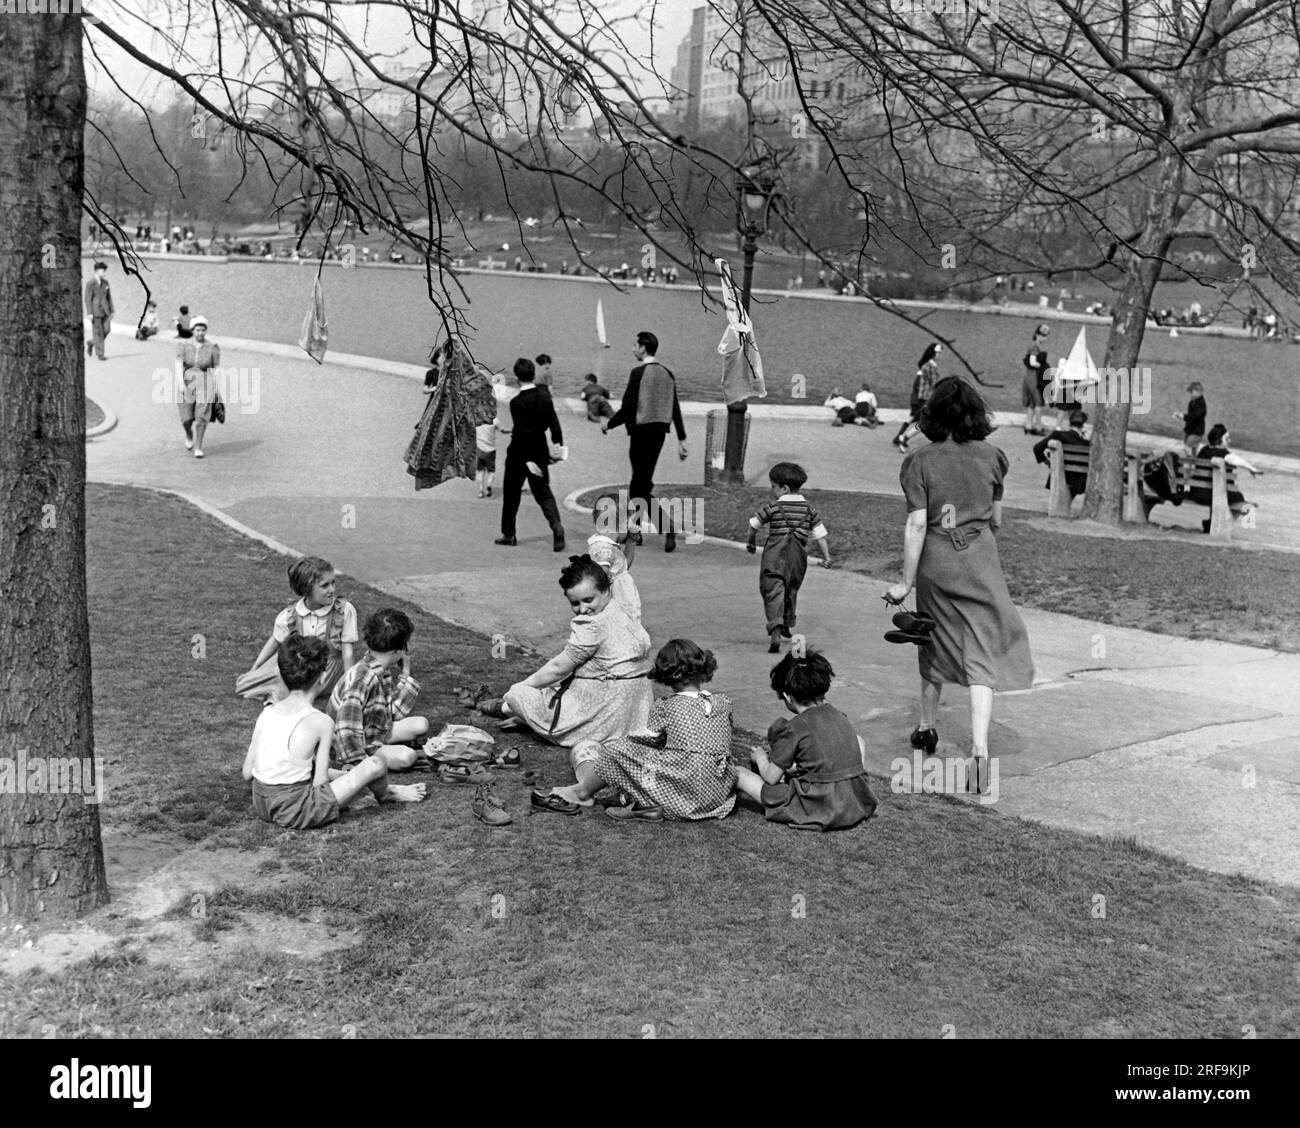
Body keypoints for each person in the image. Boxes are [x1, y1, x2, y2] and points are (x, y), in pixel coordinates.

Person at [885, 376, 1035, 795]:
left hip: (936, 560)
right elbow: (998, 520)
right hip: (981, 559)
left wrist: (904, 582)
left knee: (931, 637)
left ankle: (926, 726)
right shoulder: (994, 457)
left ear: (932, 416)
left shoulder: (919, 461)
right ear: (976, 416)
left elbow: (917, 523)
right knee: (982, 650)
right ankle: (981, 752)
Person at [462, 556, 653, 753]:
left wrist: (520, 688)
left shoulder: (592, 625)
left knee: (521, 692)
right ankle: (514, 711)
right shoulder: (623, 607)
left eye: (589, 600)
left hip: (602, 714)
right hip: (636, 711)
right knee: (557, 686)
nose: (583, 609)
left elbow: (557, 669)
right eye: (575, 603)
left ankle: (508, 707)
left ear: (606, 590)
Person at [243, 636, 426, 829]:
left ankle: (371, 785)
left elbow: (248, 773)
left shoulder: (267, 712)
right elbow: (320, 783)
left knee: (334, 771)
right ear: (323, 677)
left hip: (262, 803)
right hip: (296, 810)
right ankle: (386, 794)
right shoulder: (321, 722)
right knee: (375, 764)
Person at [545, 639, 738, 821]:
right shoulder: (722, 702)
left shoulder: (667, 706)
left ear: (667, 675)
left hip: (682, 795)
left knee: (618, 751)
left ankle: (582, 792)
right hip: (714, 795)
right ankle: (632, 797)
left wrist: (623, 743)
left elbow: (647, 739)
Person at [733, 650, 878, 832]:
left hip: (818, 807)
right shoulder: (839, 715)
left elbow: (770, 778)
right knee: (858, 740)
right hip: (854, 802)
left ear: (787, 696)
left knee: (739, 773)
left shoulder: (794, 727)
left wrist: (761, 757)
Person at [601, 331, 689, 552]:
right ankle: (640, 530)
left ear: (643, 348)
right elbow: (674, 406)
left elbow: (628, 408)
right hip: (659, 434)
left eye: (635, 345)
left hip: (640, 433)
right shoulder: (668, 373)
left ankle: (657, 529)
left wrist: (609, 424)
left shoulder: (638, 373)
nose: (633, 349)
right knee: (642, 483)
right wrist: (682, 438)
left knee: (638, 484)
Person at [238, 556, 360, 706]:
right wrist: (256, 667)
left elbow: (348, 653)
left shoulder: (343, 610)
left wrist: (349, 686)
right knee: (246, 684)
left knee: (295, 689)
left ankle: (283, 696)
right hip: (300, 663)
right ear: (306, 589)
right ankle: (279, 690)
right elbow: (275, 640)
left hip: (325, 667)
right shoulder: (290, 615)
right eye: (325, 585)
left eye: (333, 583)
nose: (332, 590)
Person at [327, 608, 432, 773]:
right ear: (401, 649)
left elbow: (392, 713)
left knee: (421, 724)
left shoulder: (379, 666)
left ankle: (385, 748)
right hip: (350, 744)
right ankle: (378, 753)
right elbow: (346, 728)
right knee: (407, 757)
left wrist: (405, 672)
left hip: (372, 730)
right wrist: (359, 763)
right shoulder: (361, 679)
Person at [747, 462, 832, 653]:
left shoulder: (774, 507)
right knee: (790, 590)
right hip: (797, 559)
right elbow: (820, 535)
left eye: (773, 486)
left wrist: (751, 543)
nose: (772, 490)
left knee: (772, 589)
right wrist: (827, 557)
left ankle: (776, 627)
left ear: (784, 488)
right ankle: (786, 623)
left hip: (774, 556)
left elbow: (753, 525)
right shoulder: (809, 510)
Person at [496, 357, 566, 551]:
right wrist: (558, 447)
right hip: (540, 449)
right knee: (544, 493)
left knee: (511, 494)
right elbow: (554, 424)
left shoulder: (517, 403)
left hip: (520, 454)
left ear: (517, 378)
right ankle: (556, 526)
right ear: (534, 374)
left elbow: (522, 432)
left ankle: (509, 534)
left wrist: (527, 460)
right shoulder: (544, 396)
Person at [1190, 423, 1263, 532]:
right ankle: (1220, 525)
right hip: (1212, 495)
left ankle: (1210, 524)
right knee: (1238, 497)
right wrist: (1251, 468)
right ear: (1218, 440)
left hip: (1197, 493)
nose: (1229, 441)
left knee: (1224, 493)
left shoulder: (1203, 451)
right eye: (1226, 438)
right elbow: (1235, 460)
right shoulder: (1222, 453)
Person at [588, 492, 641, 622]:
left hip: (622, 610)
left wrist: (631, 541)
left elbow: (623, 567)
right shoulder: (603, 550)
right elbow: (599, 581)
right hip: (613, 615)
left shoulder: (609, 547)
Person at [174, 314, 220, 458]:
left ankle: (198, 447)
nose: (200, 333)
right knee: (186, 418)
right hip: (187, 382)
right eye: (197, 330)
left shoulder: (212, 347)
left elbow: (216, 368)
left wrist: (214, 387)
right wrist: (181, 383)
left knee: (201, 417)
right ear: (192, 330)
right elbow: (178, 364)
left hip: (205, 382)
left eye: (202, 330)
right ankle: (189, 434)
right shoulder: (184, 345)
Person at [1032, 409, 1091, 508]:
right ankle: (1064, 506)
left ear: (1069, 422)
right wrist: (1084, 438)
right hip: (1079, 479)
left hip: (1059, 473)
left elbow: (1037, 448)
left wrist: (1048, 462)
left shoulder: (1058, 435)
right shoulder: (1086, 443)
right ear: (1083, 425)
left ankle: (1061, 507)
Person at [893, 343, 941, 451]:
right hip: (926, 398)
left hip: (922, 398)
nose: (939, 355)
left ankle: (903, 437)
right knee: (924, 422)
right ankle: (904, 437)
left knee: (918, 420)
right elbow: (934, 384)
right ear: (933, 353)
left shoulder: (926, 365)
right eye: (938, 353)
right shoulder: (931, 366)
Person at [1020, 324, 1050, 434]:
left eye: (1045, 336)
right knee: (1038, 402)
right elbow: (1032, 361)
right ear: (1037, 335)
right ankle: (1038, 427)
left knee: (1032, 402)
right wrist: (1042, 366)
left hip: (1028, 375)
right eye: (1042, 335)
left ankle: (1028, 425)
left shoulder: (1032, 344)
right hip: (1034, 377)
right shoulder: (1036, 347)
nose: (1044, 338)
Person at [83, 261, 114, 361]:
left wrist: (112, 310)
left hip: (106, 311)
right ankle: (100, 354)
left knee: (107, 330)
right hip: (95, 312)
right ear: (96, 271)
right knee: (98, 332)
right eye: (103, 270)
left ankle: (91, 343)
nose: (105, 272)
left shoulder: (106, 283)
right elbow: (87, 299)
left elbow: (109, 297)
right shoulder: (90, 283)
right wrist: (89, 313)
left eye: (105, 271)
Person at [1172, 381, 1207, 456]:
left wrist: (1183, 416)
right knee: (1192, 451)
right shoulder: (1193, 402)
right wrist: (1181, 416)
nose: (1190, 394)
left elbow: (1195, 417)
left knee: (1187, 449)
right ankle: (1192, 464)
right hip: (1190, 430)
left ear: (1198, 391)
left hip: (1196, 432)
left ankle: (1189, 464)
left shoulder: (1201, 404)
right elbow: (1191, 416)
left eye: (1191, 392)